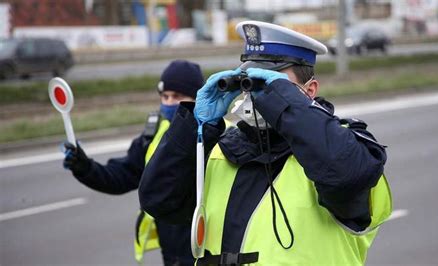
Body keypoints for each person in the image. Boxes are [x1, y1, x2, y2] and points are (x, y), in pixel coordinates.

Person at [139, 21, 392, 265]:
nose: (256, 96)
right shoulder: (222, 148)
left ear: (310, 90)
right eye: (250, 82)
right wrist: (195, 126)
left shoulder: (347, 147)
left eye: (272, 84)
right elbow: (158, 200)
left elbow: (347, 176)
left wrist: (287, 105)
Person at [63, 60, 203, 265]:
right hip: (172, 255)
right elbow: (121, 176)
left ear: (197, 98)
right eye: (165, 96)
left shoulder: (212, 134)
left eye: (178, 97)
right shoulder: (154, 135)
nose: (169, 102)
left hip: (205, 250)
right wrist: (84, 166)